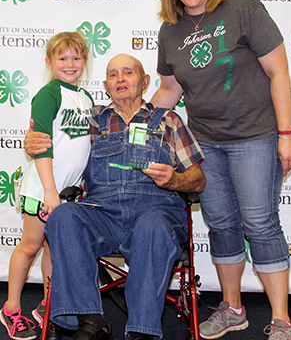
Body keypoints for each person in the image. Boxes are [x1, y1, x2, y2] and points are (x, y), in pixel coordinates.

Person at [150, 0, 291, 340]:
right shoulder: (171, 30)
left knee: (261, 223)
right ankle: (233, 308)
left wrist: (287, 135)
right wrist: (137, 120)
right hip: (205, 143)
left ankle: (281, 318)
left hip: (255, 136)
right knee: (220, 223)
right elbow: (170, 89)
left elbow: (280, 73)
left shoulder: (243, 9)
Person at [23, 53, 206, 340]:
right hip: (102, 213)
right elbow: (54, 134)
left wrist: (175, 179)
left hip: (155, 210)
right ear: (107, 85)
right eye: (113, 75)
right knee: (64, 216)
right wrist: (34, 138)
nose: (120, 79)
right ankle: (90, 320)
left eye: (128, 73)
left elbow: (198, 179)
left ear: (145, 81)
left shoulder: (168, 120)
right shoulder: (92, 120)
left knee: (153, 227)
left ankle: (142, 332)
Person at [0, 32, 94, 340]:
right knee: (30, 246)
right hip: (43, 190)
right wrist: (50, 191)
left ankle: (48, 305)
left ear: (85, 61)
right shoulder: (48, 95)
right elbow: (41, 146)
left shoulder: (85, 98)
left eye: (76, 58)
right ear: (49, 62)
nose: (70, 64)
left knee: (55, 249)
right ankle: (11, 308)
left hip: (68, 193)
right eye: (62, 58)